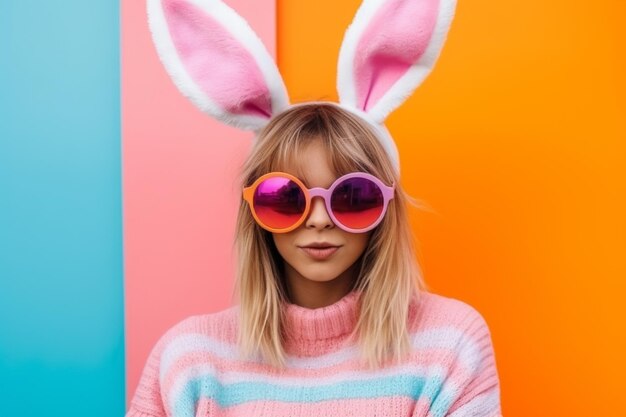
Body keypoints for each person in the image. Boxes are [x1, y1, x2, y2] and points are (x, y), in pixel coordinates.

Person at [127, 0, 503, 416]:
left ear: (386, 208)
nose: (320, 220)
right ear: (254, 211)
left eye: (352, 197)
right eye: (287, 199)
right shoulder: (190, 361)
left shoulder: (449, 344)